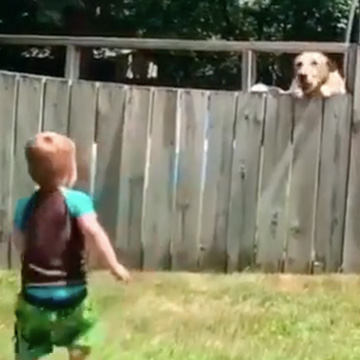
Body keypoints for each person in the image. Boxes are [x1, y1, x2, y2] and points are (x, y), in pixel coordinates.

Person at [12, 131, 130, 360]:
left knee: (30, 337)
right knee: (82, 330)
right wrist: (113, 265)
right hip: (72, 294)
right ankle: (76, 352)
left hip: (34, 295)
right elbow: (94, 232)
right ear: (70, 172)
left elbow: (19, 242)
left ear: (31, 172)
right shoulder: (76, 200)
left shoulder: (24, 206)